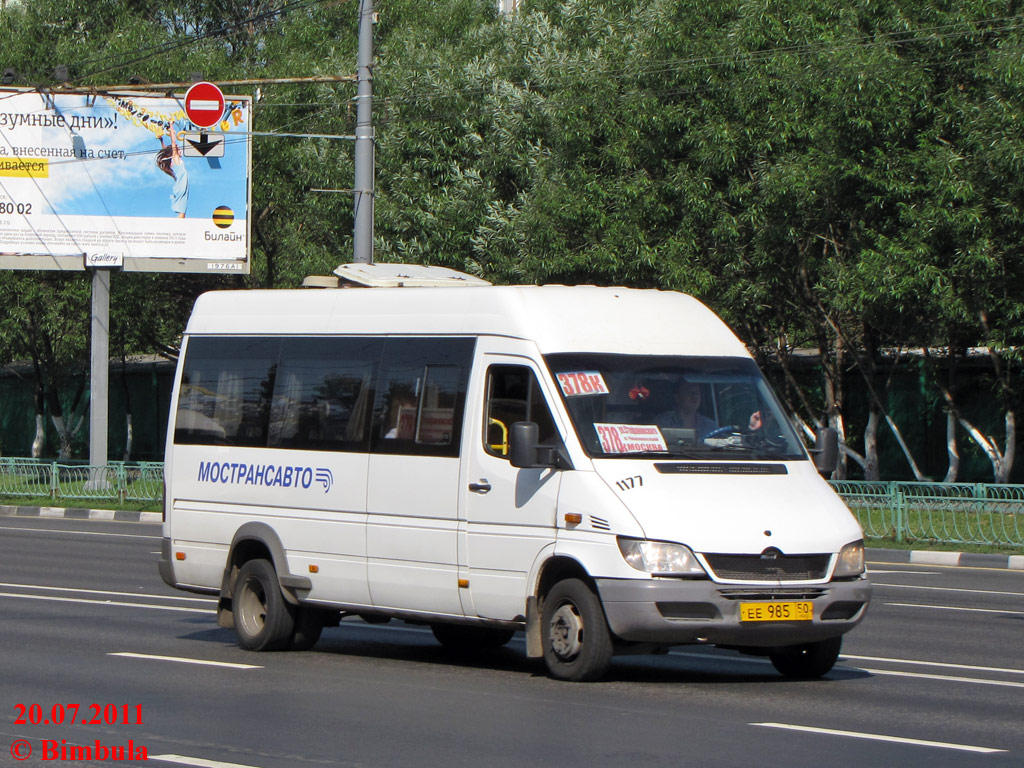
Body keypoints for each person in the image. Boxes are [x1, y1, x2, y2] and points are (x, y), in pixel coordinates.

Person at [156, 127, 189, 218]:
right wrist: (171, 126)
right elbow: (173, 143)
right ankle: (179, 227)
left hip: (180, 184)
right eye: (178, 150)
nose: (180, 150)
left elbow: (166, 149)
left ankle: (179, 225)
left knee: (182, 209)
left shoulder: (172, 160)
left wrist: (162, 141)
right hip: (181, 185)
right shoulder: (176, 159)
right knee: (182, 209)